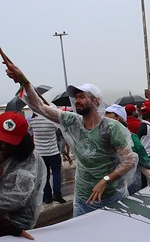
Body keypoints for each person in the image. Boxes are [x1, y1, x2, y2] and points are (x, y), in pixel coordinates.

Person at [5, 62, 137, 217]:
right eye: (76, 97)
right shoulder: (72, 121)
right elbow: (40, 107)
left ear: (96, 101)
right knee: (82, 239)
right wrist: (24, 82)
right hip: (83, 198)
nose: (76, 101)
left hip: (112, 196)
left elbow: (129, 160)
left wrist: (105, 180)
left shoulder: (112, 128)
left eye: (82, 97)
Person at [0, 112, 46, 239]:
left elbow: (19, 199)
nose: (4, 145)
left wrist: (13, 229)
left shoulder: (30, 161)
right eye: (2, 140)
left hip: (17, 224)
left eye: (9, 142)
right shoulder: (3, 152)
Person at [29, 112, 65, 203]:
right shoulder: (51, 120)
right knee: (57, 174)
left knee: (45, 176)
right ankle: (57, 194)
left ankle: (47, 197)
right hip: (54, 152)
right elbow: (58, 127)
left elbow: (29, 130)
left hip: (40, 154)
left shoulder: (32, 120)